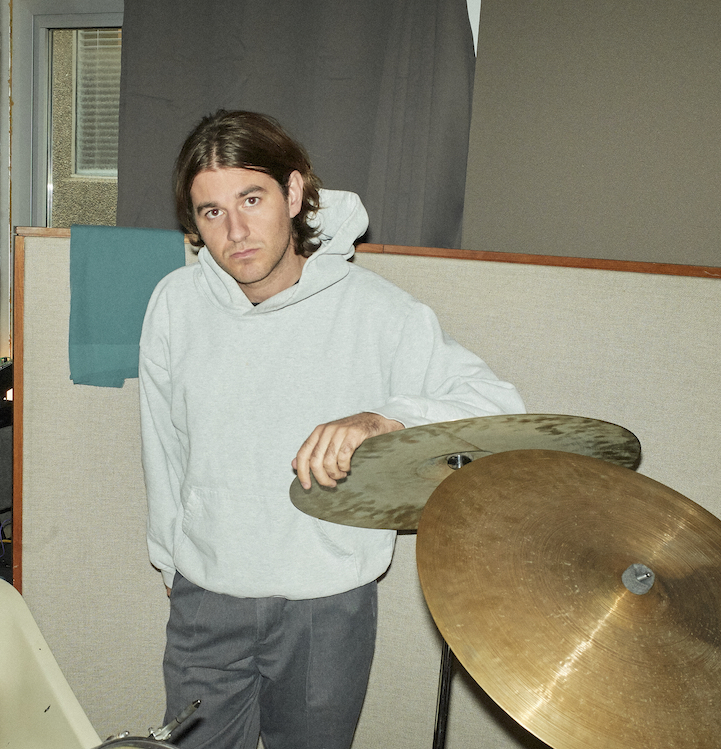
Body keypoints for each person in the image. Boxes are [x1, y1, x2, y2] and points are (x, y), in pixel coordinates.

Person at [138, 110, 525, 749]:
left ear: (293, 192)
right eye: (212, 212)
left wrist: (385, 419)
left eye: (251, 199)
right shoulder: (175, 304)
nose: (235, 231)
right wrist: (174, 567)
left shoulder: (380, 311)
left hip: (327, 607)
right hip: (206, 600)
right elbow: (164, 450)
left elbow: (500, 409)